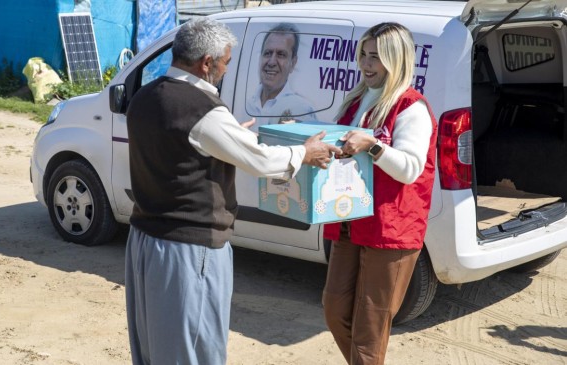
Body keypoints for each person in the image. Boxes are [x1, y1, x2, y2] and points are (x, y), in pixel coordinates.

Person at [124, 17, 341, 365]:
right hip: (189, 248)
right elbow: (259, 161)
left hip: (146, 241)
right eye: (225, 61)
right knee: (194, 347)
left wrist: (227, 136)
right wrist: (304, 152)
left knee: (156, 347)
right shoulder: (202, 110)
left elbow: (179, 148)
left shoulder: (145, 96)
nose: (226, 69)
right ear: (206, 63)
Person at [321, 22, 438, 365]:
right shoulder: (357, 98)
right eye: (364, 55)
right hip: (349, 219)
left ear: (397, 60)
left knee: (369, 332)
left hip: (391, 229)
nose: (366, 64)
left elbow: (410, 168)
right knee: (334, 309)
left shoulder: (411, 106)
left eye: (376, 57)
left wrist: (372, 146)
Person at [246, 23, 317, 127]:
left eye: (281, 55)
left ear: (293, 63)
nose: (271, 62)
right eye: (268, 53)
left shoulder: (302, 110)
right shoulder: (247, 104)